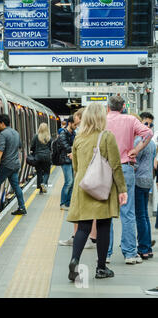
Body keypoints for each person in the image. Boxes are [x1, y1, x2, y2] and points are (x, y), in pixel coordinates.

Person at [67, 103, 127, 281]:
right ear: (101, 117)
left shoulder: (79, 138)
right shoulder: (106, 136)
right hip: (102, 187)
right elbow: (115, 165)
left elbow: (75, 166)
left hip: (83, 186)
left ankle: (74, 260)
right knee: (103, 226)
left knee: (83, 227)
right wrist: (122, 189)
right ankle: (101, 268)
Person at [106, 95, 153, 264]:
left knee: (107, 213)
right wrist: (137, 149)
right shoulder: (130, 120)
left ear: (108, 107)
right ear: (123, 106)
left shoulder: (102, 121)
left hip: (105, 170)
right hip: (126, 168)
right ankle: (129, 253)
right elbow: (148, 133)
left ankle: (106, 253)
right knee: (128, 211)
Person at [59, 109, 97, 249]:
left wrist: (74, 156)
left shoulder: (82, 135)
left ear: (81, 118)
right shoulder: (101, 134)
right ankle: (92, 238)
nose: (74, 120)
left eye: (75, 117)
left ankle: (79, 238)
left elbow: (78, 162)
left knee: (79, 209)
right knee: (94, 210)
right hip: (95, 178)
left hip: (84, 177)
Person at [0, 114, 26, 215]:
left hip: (6, 165)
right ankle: (22, 207)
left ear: (2, 123)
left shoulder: (3, 134)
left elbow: (1, 149)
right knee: (16, 186)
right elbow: (19, 146)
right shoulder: (16, 133)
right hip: (15, 164)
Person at [133, 112, 155, 260]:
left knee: (140, 216)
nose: (147, 126)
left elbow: (135, 162)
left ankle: (144, 248)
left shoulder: (139, 141)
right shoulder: (152, 142)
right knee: (145, 215)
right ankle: (147, 246)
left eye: (150, 124)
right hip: (148, 181)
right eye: (145, 124)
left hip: (138, 180)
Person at [57, 115, 81, 211]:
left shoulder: (74, 133)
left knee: (73, 182)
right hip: (65, 161)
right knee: (69, 182)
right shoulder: (63, 134)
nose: (76, 126)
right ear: (70, 123)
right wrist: (74, 150)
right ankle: (63, 203)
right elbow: (66, 147)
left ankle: (69, 203)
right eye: (75, 125)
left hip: (72, 160)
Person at [30, 123, 52, 194]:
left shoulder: (36, 137)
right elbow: (51, 148)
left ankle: (40, 190)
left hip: (38, 157)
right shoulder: (49, 138)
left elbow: (32, 147)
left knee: (39, 172)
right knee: (47, 172)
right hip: (47, 157)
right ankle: (44, 183)